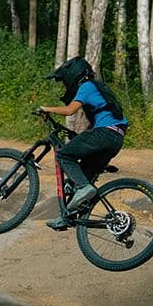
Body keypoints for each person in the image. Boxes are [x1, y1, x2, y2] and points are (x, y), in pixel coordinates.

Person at [37, 57, 128, 229]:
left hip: (105, 133)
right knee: (81, 180)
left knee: (64, 156)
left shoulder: (86, 87)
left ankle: (83, 187)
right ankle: (67, 217)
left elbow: (70, 110)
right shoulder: (100, 88)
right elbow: (96, 124)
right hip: (116, 138)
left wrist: (46, 109)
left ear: (73, 75)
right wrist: (78, 137)